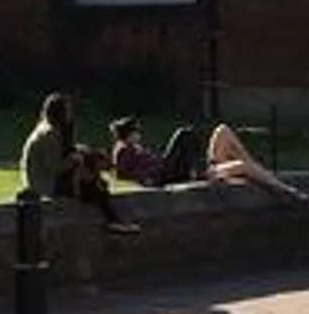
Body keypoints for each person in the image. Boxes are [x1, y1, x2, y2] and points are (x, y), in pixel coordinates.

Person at [21, 92, 138, 232]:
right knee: (93, 187)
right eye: (67, 110)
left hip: (49, 178)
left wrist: (80, 152)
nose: (71, 113)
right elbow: (54, 167)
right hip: (43, 183)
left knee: (93, 172)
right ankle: (112, 220)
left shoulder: (53, 129)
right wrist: (75, 159)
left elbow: (63, 155)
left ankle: (113, 219)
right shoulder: (49, 133)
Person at [202, 117, 309, 203]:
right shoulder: (216, 164)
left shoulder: (226, 157)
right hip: (213, 171)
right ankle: (284, 189)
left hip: (220, 167)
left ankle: (281, 187)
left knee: (224, 133)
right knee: (244, 163)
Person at [110, 116, 200, 187]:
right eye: (137, 132)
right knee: (183, 134)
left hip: (162, 168)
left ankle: (192, 171)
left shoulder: (134, 146)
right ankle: (192, 172)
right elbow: (123, 173)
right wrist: (145, 178)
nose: (140, 134)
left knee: (187, 137)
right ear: (129, 133)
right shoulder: (123, 150)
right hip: (160, 174)